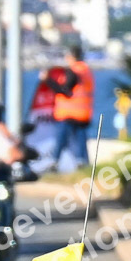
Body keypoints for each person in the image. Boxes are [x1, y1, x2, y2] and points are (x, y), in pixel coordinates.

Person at [51, 40, 94, 170]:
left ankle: (55, 162)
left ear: (71, 56)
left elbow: (65, 90)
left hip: (69, 113)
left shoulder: (73, 71)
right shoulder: (86, 70)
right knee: (81, 140)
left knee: (61, 139)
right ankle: (83, 163)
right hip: (83, 112)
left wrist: (48, 81)